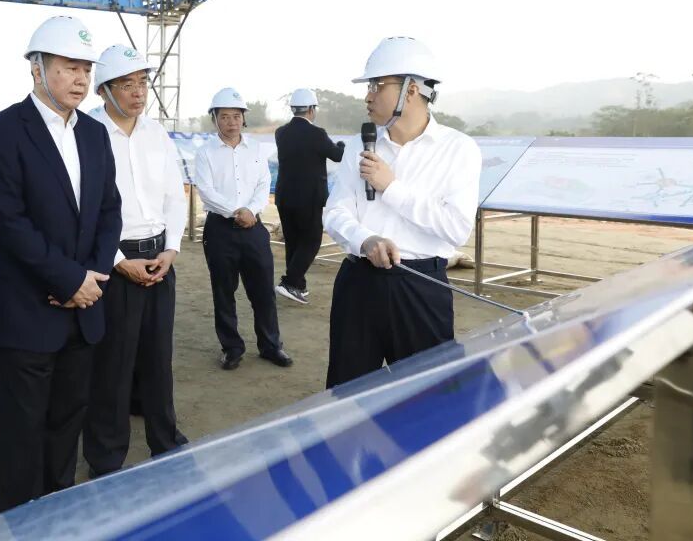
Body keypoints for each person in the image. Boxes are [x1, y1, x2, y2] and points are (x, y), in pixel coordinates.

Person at [0, 16, 122, 513]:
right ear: (37, 69)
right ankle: (17, 525)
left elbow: (109, 211)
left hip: (84, 311)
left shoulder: (95, 135)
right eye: (69, 67)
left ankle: (59, 518)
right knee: (23, 436)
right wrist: (69, 278)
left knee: (66, 428)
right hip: (26, 313)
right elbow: (10, 222)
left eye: (86, 69)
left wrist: (91, 279)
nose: (81, 79)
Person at [323, 37, 481, 388]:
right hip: (358, 283)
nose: (368, 96)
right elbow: (335, 212)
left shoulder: (458, 149)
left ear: (411, 89)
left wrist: (391, 187)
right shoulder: (359, 144)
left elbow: (456, 229)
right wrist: (365, 240)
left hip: (420, 286)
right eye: (369, 86)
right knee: (347, 394)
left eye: (377, 85)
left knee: (428, 395)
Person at [82, 44, 189, 479]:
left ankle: (166, 440)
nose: (138, 92)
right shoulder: (87, 134)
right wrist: (117, 260)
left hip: (159, 258)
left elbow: (174, 195)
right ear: (104, 90)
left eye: (142, 82)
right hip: (113, 262)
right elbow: (83, 209)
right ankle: (106, 457)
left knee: (158, 358)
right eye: (126, 84)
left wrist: (171, 249)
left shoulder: (156, 134)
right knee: (112, 365)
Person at [195, 87, 292, 371]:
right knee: (223, 291)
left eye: (236, 116)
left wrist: (251, 210)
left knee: (263, 291)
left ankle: (271, 346)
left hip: (254, 228)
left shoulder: (256, 150)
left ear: (243, 118)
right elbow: (206, 190)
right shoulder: (206, 152)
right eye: (224, 116)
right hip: (220, 229)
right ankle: (232, 348)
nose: (231, 122)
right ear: (215, 119)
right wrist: (236, 212)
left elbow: (264, 184)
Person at [273, 88, 345, 305]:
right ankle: (290, 282)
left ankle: (298, 286)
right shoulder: (317, 134)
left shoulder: (280, 133)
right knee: (312, 240)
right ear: (312, 109)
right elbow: (337, 155)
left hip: (284, 196)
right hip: (309, 198)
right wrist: (342, 144)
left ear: (293, 109)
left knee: (293, 242)